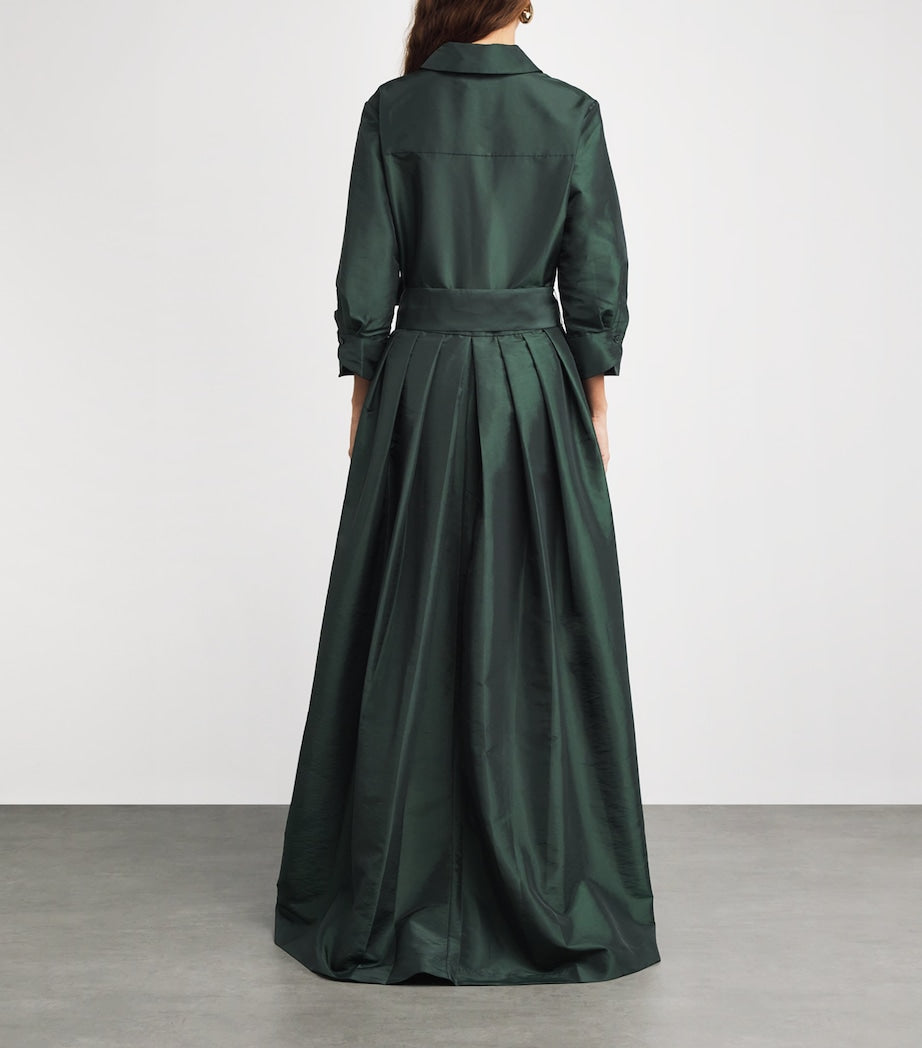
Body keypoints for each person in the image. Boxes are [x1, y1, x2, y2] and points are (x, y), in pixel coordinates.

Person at [274, 0, 661, 986]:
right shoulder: (569, 112)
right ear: (524, 3)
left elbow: (368, 267)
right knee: (540, 622)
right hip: (534, 386)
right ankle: (546, 866)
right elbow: (595, 269)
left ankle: (397, 870)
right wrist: (595, 395)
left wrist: (363, 386)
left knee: (405, 616)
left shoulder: (393, 109)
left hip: (419, 380)